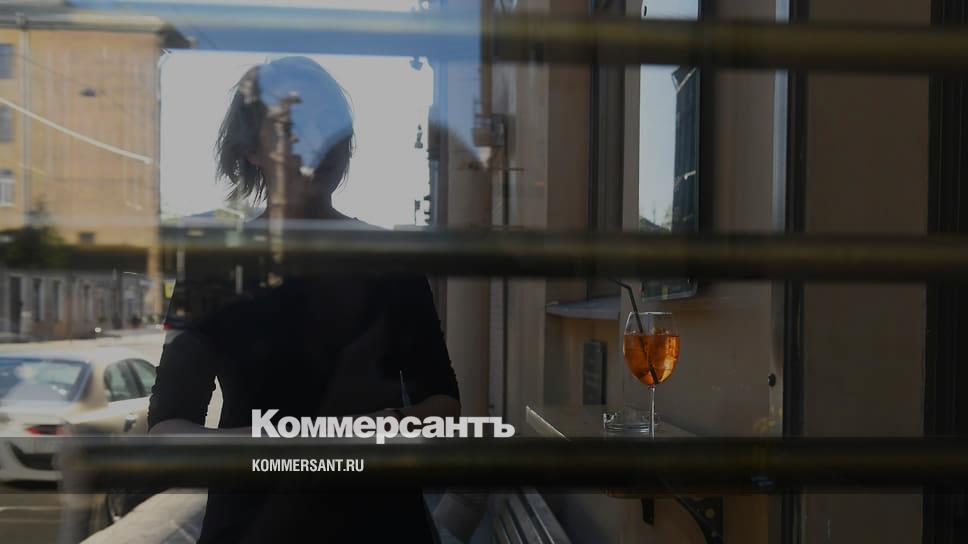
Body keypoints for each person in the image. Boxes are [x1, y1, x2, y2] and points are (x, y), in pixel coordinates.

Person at [147, 56, 461, 543]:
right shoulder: (216, 267)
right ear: (252, 149)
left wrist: (383, 427)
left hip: (378, 526)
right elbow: (167, 428)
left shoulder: (390, 258)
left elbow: (442, 403)